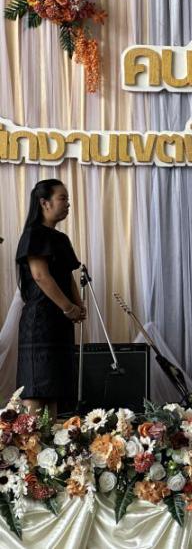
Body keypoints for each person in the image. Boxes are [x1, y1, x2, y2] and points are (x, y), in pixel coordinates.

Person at [15, 179, 85, 417]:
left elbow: (67, 275)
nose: (68, 204)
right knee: (37, 389)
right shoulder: (33, 234)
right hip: (40, 323)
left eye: (68, 199)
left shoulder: (61, 239)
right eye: (62, 198)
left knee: (54, 390)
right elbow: (40, 276)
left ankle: (52, 443)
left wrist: (78, 305)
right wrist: (69, 308)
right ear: (44, 203)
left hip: (60, 322)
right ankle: (31, 441)